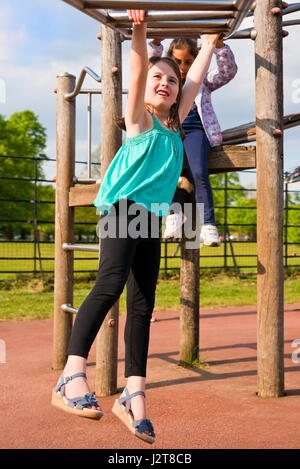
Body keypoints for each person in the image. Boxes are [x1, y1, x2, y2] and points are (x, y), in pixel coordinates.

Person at [51, 9, 220, 444]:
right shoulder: (139, 120)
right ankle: (70, 377)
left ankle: (133, 395)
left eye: (172, 80)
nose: (165, 82)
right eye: (158, 78)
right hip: (124, 208)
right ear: (144, 89)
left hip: (152, 217)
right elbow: (139, 62)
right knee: (109, 288)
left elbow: (196, 79)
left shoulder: (176, 124)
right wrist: (141, 31)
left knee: (143, 305)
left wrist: (208, 41)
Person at [148, 36, 238, 246]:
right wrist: (155, 45)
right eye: (178, 61)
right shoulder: (166, 81)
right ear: (170, 59)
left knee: (198, 172)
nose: (182, 67)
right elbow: (149, 69)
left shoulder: (202, 80)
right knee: (164, 169)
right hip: (171, 128)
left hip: (196, 129)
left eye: (188, 62)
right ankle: (173, 214)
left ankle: (208, 224)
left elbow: (227, 72)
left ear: (197, 61)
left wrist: (219, 46)